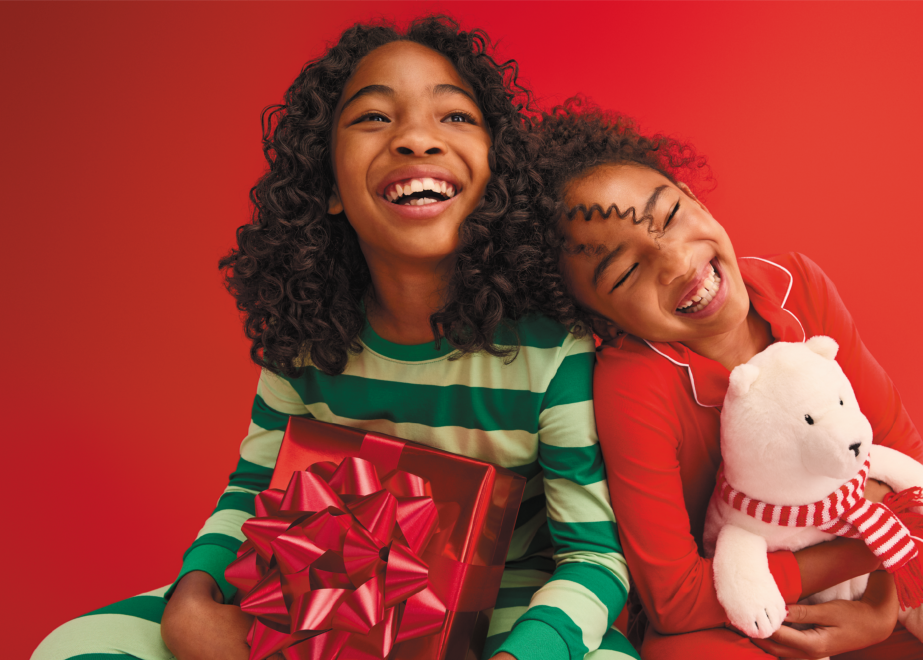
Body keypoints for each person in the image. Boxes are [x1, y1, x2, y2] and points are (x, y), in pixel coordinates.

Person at [33, 20, 635, 660]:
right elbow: (251, 492)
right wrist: (192, 598)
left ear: (498, 173)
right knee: (79, 645)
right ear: (326, 189)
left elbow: (594, 558)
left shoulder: (552, 353)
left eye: (455, 116)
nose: (414, 138)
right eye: (373, 117)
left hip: (506, 615)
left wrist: (523, 654)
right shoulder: (308, 339)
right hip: (313, 600)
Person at [521, 99, 923, 660]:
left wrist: (880, 608)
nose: (679, 263)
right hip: (738, 623)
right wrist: (859, 553)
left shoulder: (798, 285)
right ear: (595, 315)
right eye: (626, 272)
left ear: (694, 195)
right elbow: (676, 601)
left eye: (672, 216)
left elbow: (906, 467)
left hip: (873, 588)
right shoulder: (631, 385)